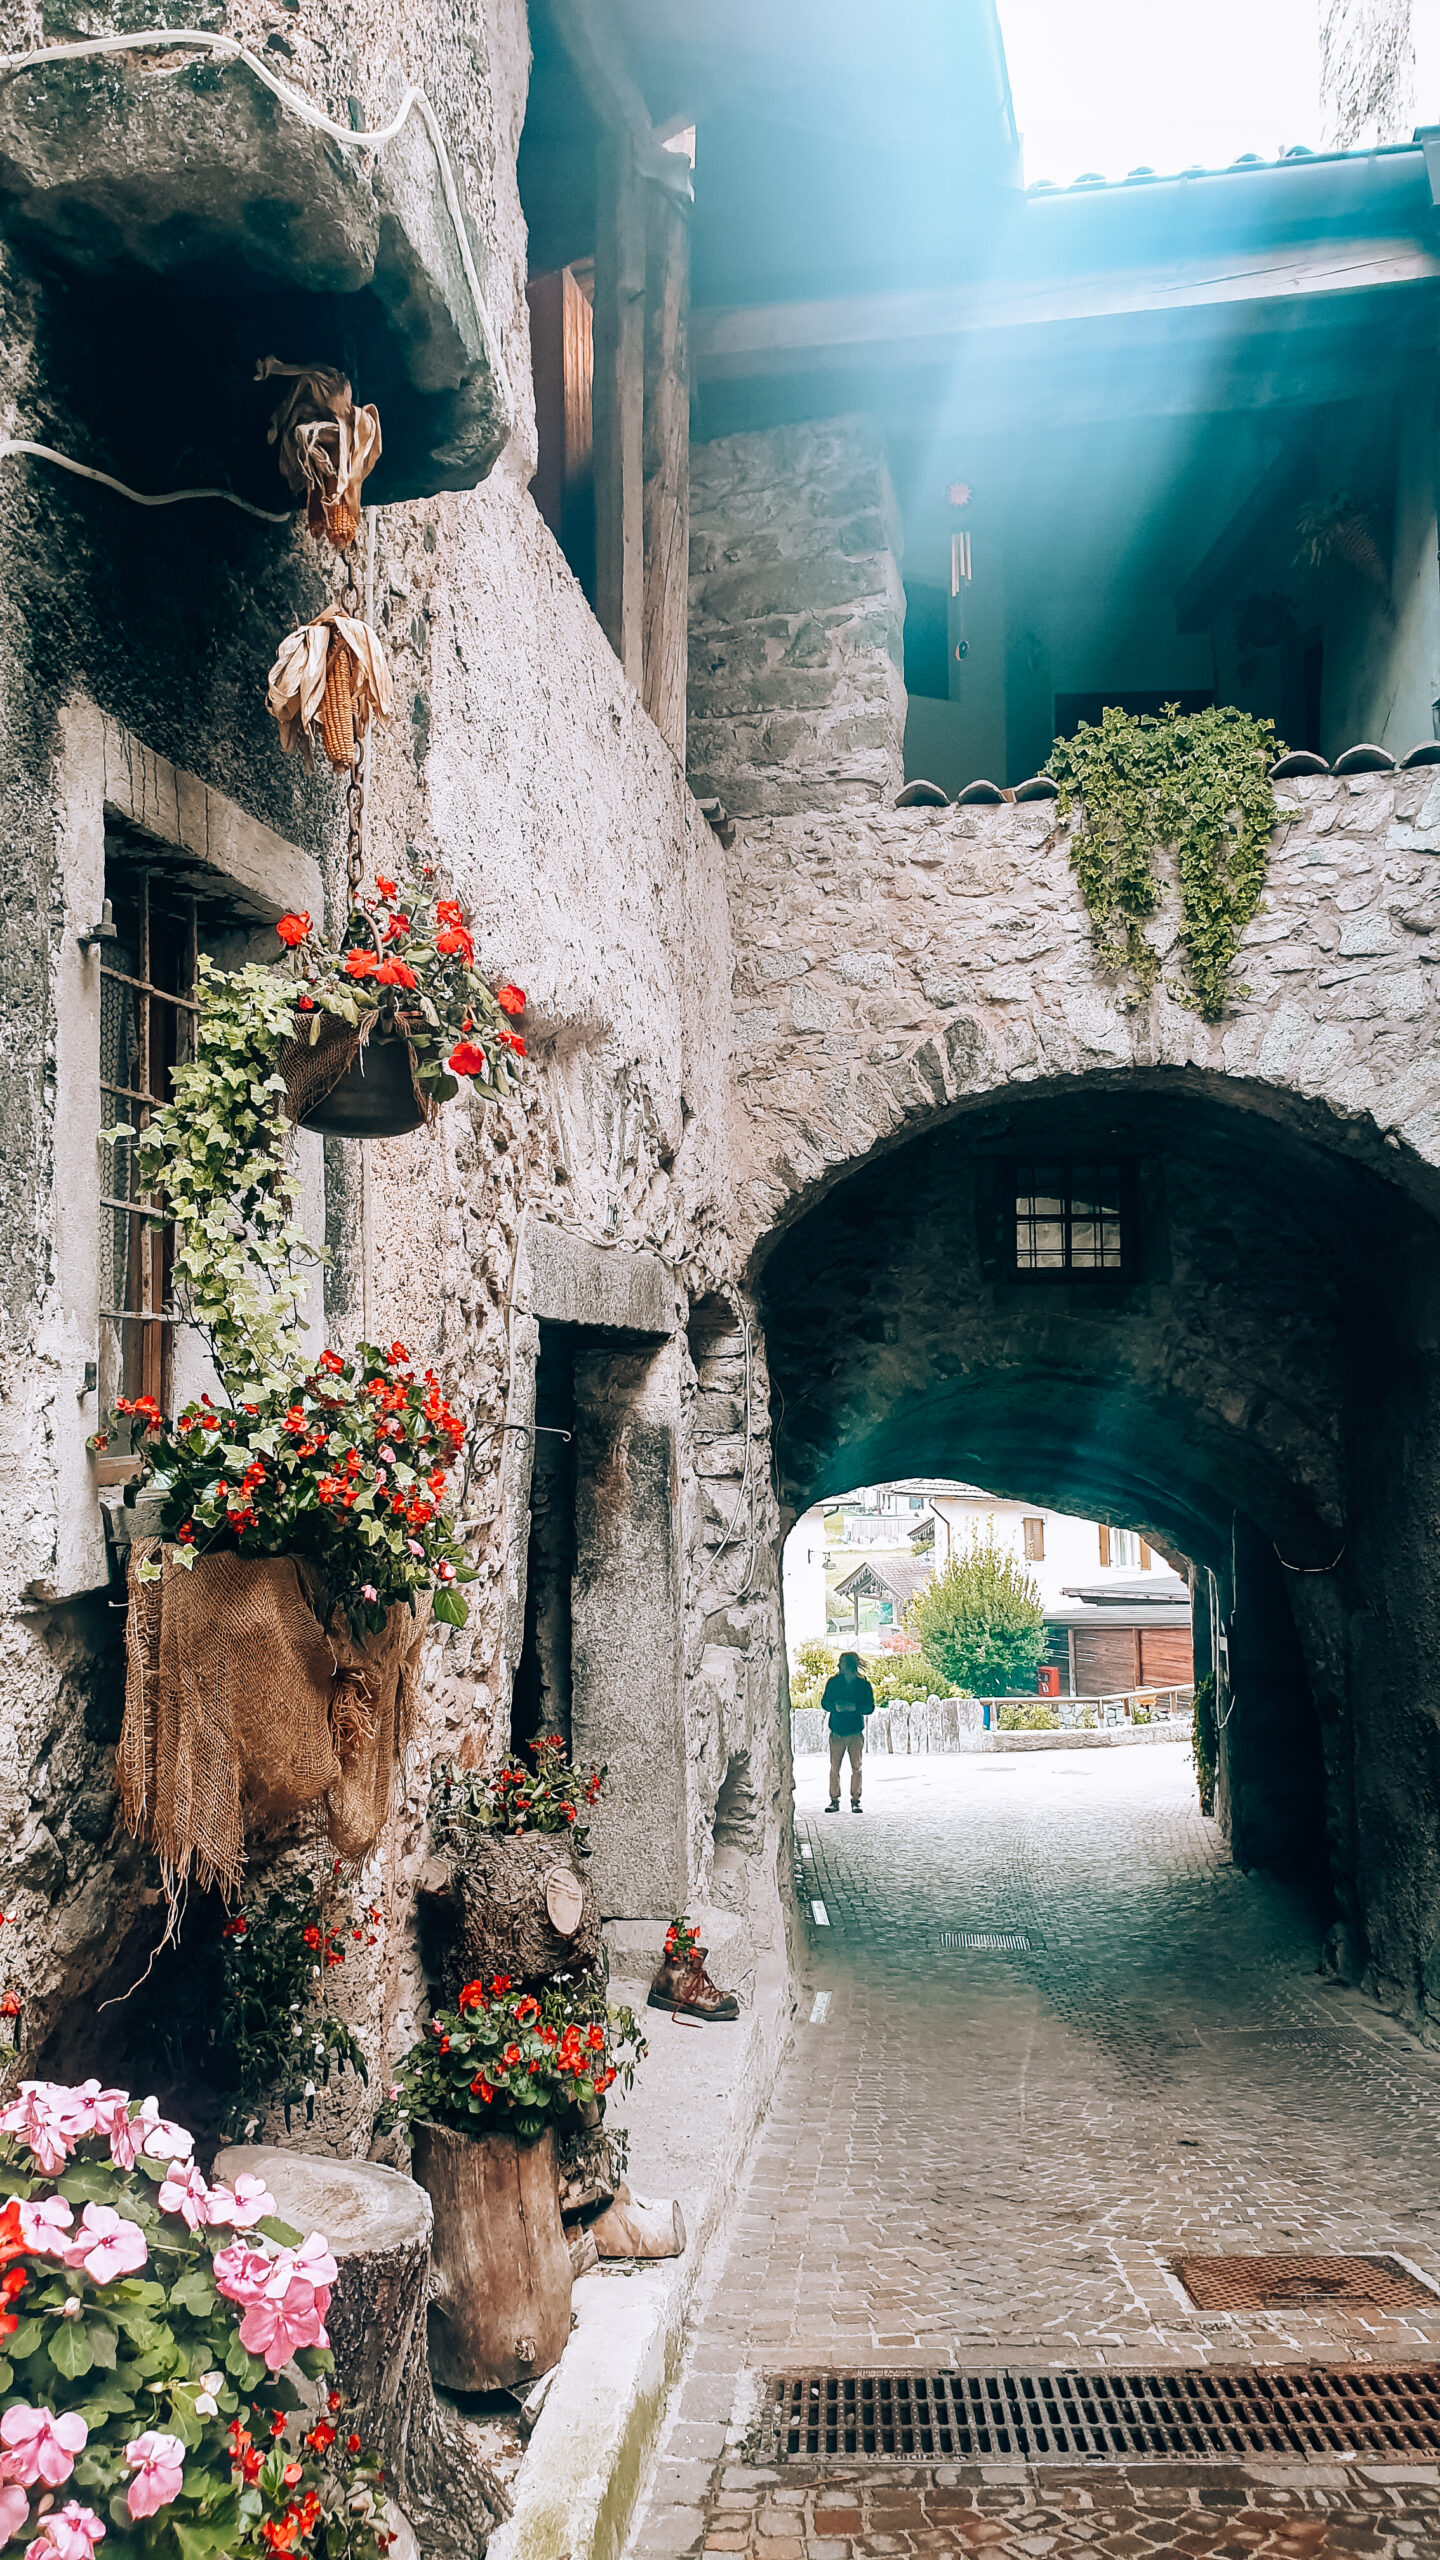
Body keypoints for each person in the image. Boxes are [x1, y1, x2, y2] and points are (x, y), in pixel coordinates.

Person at [820, 1650, 876, 1812]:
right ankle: (834, 1799)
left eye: (842, 1662)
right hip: (837, 1730)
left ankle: (855, 1799)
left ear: (849, 1665)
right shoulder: (833, 1683)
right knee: (834, 1767)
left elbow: (870, 1707)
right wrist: (835, 1706)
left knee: (856, 1767)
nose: (839, 1665)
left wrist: (855, 1708)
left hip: (855, 1732)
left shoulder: (863, 1685)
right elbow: (825, 1703)